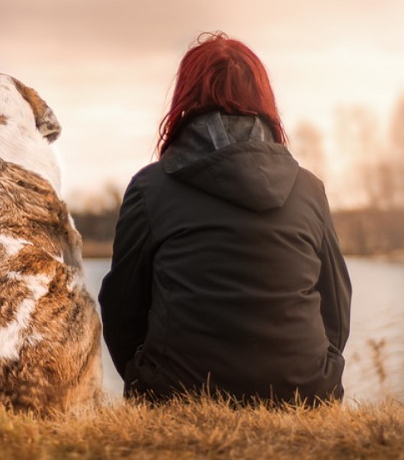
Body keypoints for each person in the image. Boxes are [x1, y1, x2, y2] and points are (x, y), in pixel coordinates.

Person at [98, 32, 351, 405]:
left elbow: (122, 309)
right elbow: (337, 307)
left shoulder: (150, 188)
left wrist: (145, 377)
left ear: (185, 99)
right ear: (263, 100)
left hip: (175, 393)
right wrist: (317, 371)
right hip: (305, 393)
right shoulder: (309, 189)